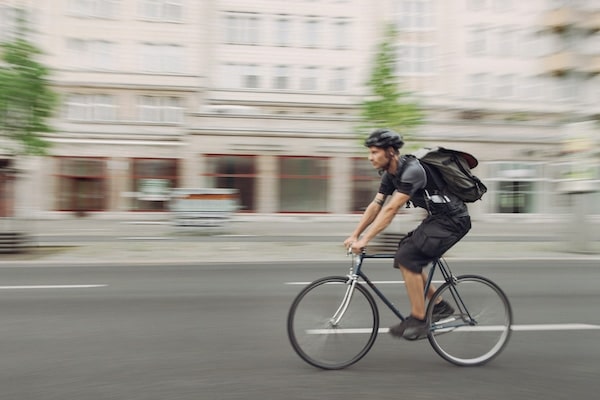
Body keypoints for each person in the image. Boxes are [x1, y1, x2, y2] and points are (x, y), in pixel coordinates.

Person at [344, 128, 471, 340]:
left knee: (408, 256)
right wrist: (355, 234)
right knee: (404, 252)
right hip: (438, 219)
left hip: (454, 220)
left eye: (375, 152)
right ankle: (439, 306)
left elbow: (391, 210)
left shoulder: (412, 171)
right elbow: (376, 205)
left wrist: (366, 239)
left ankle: (419, 318)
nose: (370, 157)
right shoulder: (390, 174)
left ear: (391, 152)